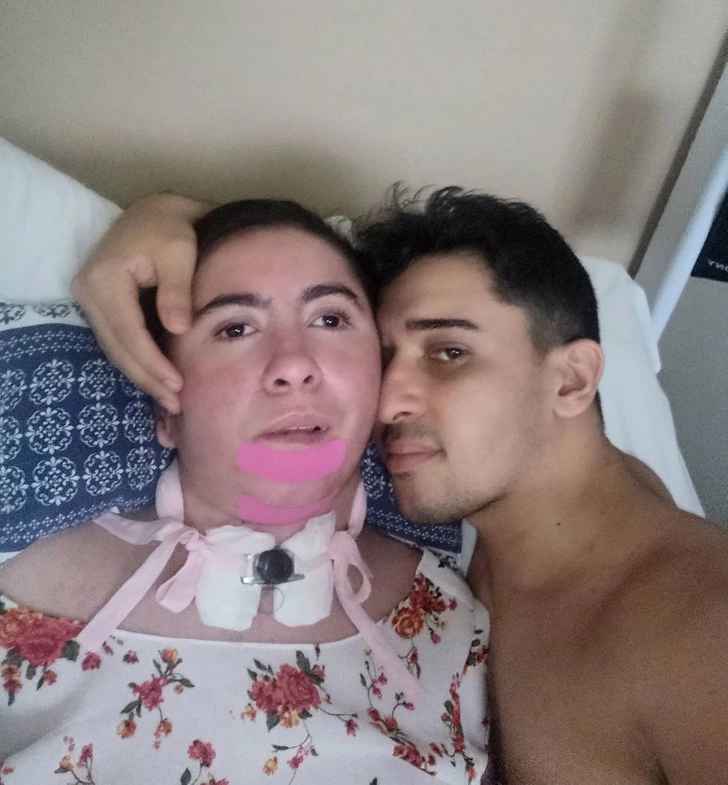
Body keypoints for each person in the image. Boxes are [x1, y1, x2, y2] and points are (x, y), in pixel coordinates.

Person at [71, 187, 728, 784]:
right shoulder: (522, 531)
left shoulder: (696, 629)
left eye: (449, 353)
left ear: (572, 381)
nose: (388, 404)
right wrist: (158, 214)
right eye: (384, 360)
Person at [0, 199, 492, 784]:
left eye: (330, 319)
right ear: (166, 412)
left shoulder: (457, 625)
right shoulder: (17, 599)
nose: (293, 365)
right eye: (234, 328)